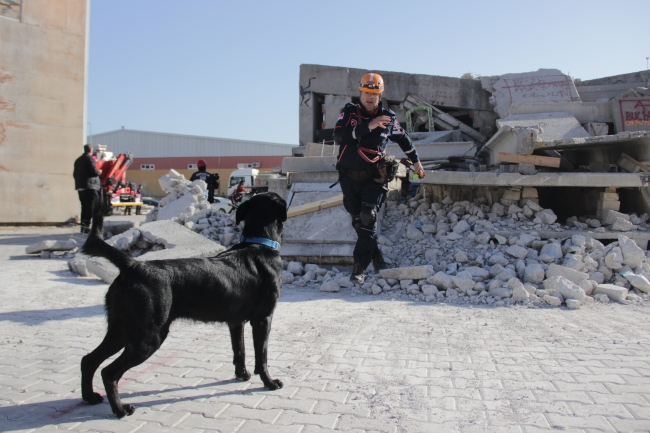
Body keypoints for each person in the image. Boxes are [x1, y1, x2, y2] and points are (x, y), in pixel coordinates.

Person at [333, 72, 425, 285]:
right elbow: (338, 136)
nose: (369, 97)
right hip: (348, 176)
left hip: (374, 178)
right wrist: (369, 126)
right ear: (360, 92)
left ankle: (358, 268)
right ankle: (376, 256)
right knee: (358, 222)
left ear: (380, 95)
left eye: (374, 94)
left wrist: (417, 163)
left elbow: (404, 139)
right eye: (366, 92)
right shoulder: (350, 113)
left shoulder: (389, 117)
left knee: (368, 217)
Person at [73, 144, 101, 234]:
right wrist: (100, 172)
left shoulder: (77, 160)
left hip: (80, 187)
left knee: (84, 207)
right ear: (91, 150)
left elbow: (74, 174)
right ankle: (90, 228)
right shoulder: (89, 159)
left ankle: (84, 227)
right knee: (92, 207)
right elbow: (94, 171)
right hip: (90, 186)